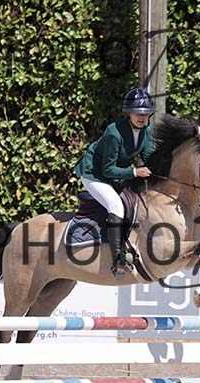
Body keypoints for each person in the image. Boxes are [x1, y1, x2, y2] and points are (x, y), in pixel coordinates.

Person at [74, 88, 154, 278]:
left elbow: (149, 157)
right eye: (137, 113)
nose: (142, 117)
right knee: (116, 206)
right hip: (94, 174)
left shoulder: (147, 130)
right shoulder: (114, 132)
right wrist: (134, 172)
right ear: (128, 113)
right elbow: (107, 170)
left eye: (145, 113)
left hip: (116, 175)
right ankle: (118, 259)